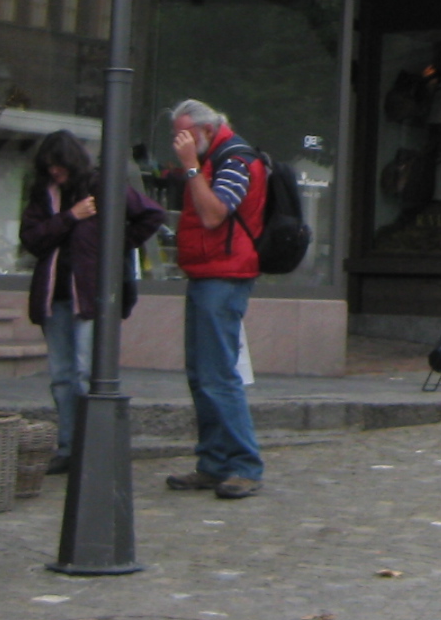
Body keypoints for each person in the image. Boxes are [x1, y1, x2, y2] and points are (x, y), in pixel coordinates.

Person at [18, 130, 167, 473]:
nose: (55, 172)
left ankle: (91, 447)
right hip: (55, 295)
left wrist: (117, 245)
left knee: (87, 372)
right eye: (49, 167)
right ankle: (69, 446)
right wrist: (71, 216)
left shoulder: (101, 186)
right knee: (61, 375)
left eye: (59, 166)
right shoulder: (45, 195)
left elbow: (152, 215)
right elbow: (33, 238)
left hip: (89, 295)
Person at [168, 98, 266, 499]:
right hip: (206, 273)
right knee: (201, 374)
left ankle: (244, 464)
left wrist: (190, 164)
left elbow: (213, 214)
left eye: (185, 134)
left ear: (207, 131)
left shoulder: (236, 160)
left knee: (218, 375)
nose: (179, 142)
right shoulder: (215, 158)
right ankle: (213, 462)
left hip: (225, 276)